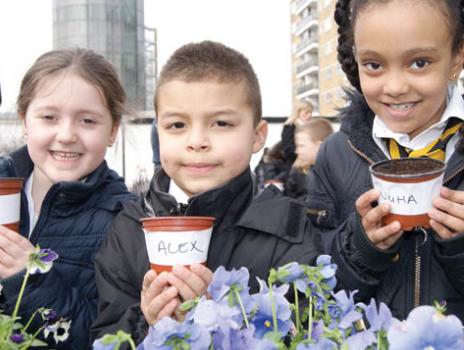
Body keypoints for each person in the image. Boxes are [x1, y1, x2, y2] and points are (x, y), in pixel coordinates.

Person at [91, 41, 321, 346]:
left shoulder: (289, 229)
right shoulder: (129, 227)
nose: (197, 141)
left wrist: (224, 320)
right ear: (157, 134)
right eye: (177, 125)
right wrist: (147, 326)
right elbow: (106, 333)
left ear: (257, 136)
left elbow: (306, 332)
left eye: (221, 123)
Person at [307, 0, 464, 346]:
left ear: (457, 56)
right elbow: (314, 290)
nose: (394, 86)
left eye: (419, 62)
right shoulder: (336, 155)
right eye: (374, 65)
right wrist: (360, 247)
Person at [0, 48, 136, 349]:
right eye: (49, 117)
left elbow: (103, 337)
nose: (66, 135)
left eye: (87, 121)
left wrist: (30, 279)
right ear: (25, 120)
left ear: (112, 130)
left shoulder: (124, 222)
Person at [285, 118, 333, 200]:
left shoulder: (338, 175)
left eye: (301, 146)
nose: (296, 151)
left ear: (319, 146)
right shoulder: (299, 170)